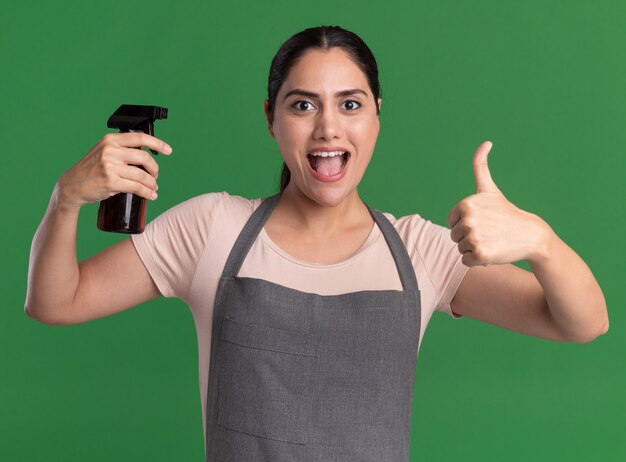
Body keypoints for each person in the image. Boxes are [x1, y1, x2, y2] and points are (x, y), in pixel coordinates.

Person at [25, 25, 608, 462]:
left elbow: (582, 322)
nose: (328, 128)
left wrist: (542, 241)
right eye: (302, 104)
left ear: (377, 115)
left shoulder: (420, 251)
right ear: (271, 118)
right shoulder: (212, 229)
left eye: (350, 104)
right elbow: (56, 302)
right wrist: (65, 200)